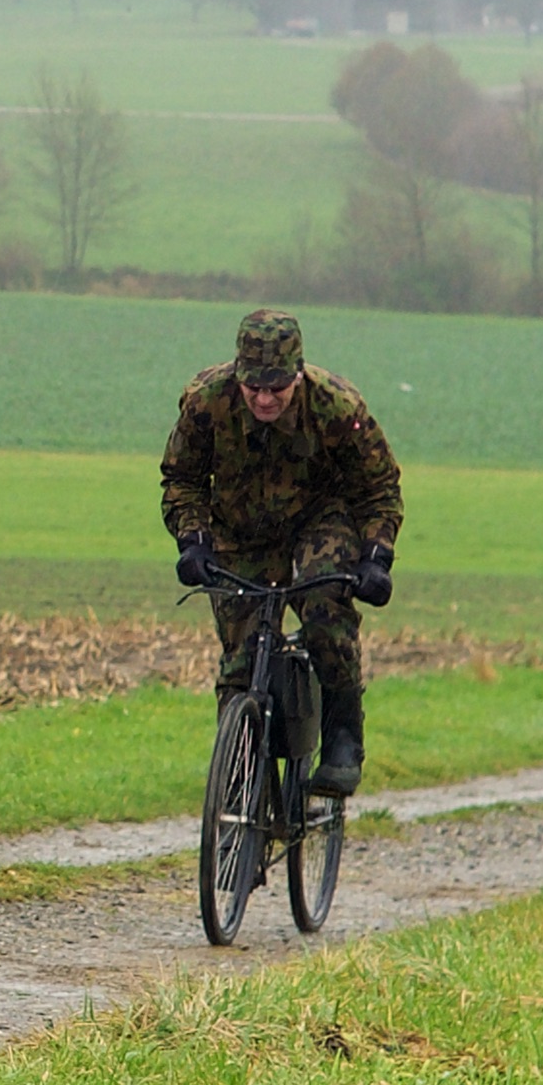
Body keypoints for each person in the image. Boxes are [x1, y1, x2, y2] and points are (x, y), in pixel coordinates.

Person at [159, 309, 403, 795]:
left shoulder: (337, 407)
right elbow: (182, 480)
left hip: (318, 520)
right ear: (238, 375)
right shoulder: (206, 403)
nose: (265, 398)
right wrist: (193, 541)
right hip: (239, 530)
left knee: (323, 610)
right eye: (254, 388)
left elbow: (379, 489)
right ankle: (241, 783)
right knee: (240, 660)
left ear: (297, 373)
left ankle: (341, 736)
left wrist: (376, 558)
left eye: (277, 387)